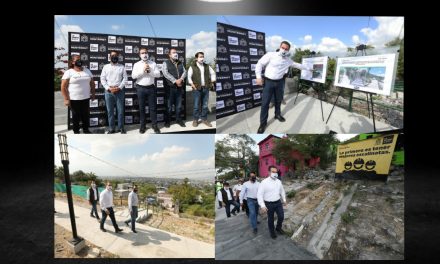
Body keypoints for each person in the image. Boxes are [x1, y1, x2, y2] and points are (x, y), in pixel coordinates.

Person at [255, 41, 313, 133]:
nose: (284, 50)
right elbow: (259, 64)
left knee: (278, 100)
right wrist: (258, 77)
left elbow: (298, 65)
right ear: (280, 46)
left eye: (286, 49)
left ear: (288, 50)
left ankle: (277, 115)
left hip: (279, 82)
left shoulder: (288, 60)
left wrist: (309, 69)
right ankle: (263, 123)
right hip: (268, 82)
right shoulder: (271, 55)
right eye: (283, 47)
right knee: (265, 103)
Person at [61, 55, 96, 134]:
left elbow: (92, 84)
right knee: (76, 116)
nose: (79, 61)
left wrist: (93, 94)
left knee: (85, 115)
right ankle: (76, 131)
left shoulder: (87, 70)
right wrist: (66, 99)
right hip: (74, 99)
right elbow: (63, 87)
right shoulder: (69, 72)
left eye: (80, 59)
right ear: (73, 62)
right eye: (77, 60)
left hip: (86, 97)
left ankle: (86, 130)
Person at [132, 47, 161, 134]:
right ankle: (142, 126)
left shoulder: (153, 63)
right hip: (140, 88)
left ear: (148, 53)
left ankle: (154, 125)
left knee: (153, 108)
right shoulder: (136, 64)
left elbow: (158, 75)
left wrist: (150, 71)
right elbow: (133, 76)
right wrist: (143, 71)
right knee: (141, 108)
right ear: (139, 55)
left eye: (145, 52)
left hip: (151, 88)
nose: (144, 54)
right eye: (142, 53)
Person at [100, 50, 128, 134]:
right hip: (108, 92)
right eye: (112, 55)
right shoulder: (105, 67)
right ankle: (111, 128)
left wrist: (119, 88)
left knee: (120, 111)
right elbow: (102, 79)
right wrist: (108, 88)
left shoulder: (122, 67)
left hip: (119, 91)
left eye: (115, 55)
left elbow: (125, 78)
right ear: (109, 57)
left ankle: (121, 128)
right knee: (110, 111)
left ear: (118, 56)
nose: (114, 57)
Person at [257, 165, 287, 239]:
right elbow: (259, 195)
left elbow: (282, 191)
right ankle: (272, 232)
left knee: (281, 216)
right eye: (273, 172)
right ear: (269, 172)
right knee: (271, 219)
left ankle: (278, 228)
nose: (275, 173)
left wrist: (284, 199)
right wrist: (262, 205)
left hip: (278, 202)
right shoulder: (264, 182)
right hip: (269, 204)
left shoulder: (279, 181)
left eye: (276, 172)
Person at [187, 52, 216, 128]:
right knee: (196, 106)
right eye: (200, 57)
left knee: (205, 105)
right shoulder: (192, 67)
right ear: (196, 58)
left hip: (205, 88)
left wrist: (212, 81)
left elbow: (213, 73)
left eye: (203, 56)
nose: (202, 58)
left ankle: (204, 119)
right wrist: (192, 84)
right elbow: (189, 77)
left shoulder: (207, 66)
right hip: (197, 89)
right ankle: (195, 120)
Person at [162, 48, 187, 128]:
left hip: (179, 88)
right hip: (170, 88)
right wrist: (175, 81)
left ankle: (178, 119)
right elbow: (165, 73)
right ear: (169, 55)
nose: (175, 54)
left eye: (176, 52)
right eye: (173, 52)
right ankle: (168, 121)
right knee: (169, 106)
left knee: (179, 106)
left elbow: (185, 72)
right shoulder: (165, 63)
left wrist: (181, 79)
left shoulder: (180, 63)